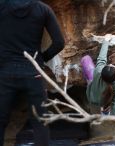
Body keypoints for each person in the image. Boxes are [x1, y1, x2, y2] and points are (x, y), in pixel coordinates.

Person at [0, 0, 64, 146]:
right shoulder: (43, 9)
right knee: (40, 122)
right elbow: (59, 42)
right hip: (33, 72)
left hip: (5, 72)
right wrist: (41, 61)